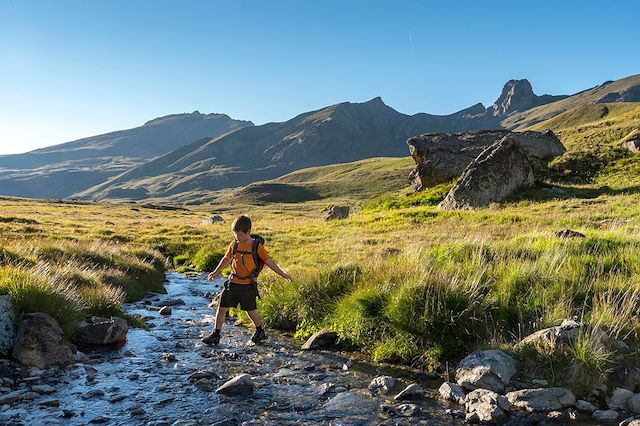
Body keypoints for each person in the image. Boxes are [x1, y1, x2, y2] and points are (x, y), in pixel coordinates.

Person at [202, 215, 292, 346]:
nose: (237, 237)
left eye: (240, 235)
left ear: (248, 232)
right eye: (235, 234)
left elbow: (269, 262)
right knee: (221, 308)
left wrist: (283, 274)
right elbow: (226, 259)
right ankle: (216, 334)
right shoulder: (234, 244)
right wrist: (215, 272)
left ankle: (260, 330)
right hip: (232, 283)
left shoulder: (257, 246)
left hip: (248, 285)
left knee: (250, 310)